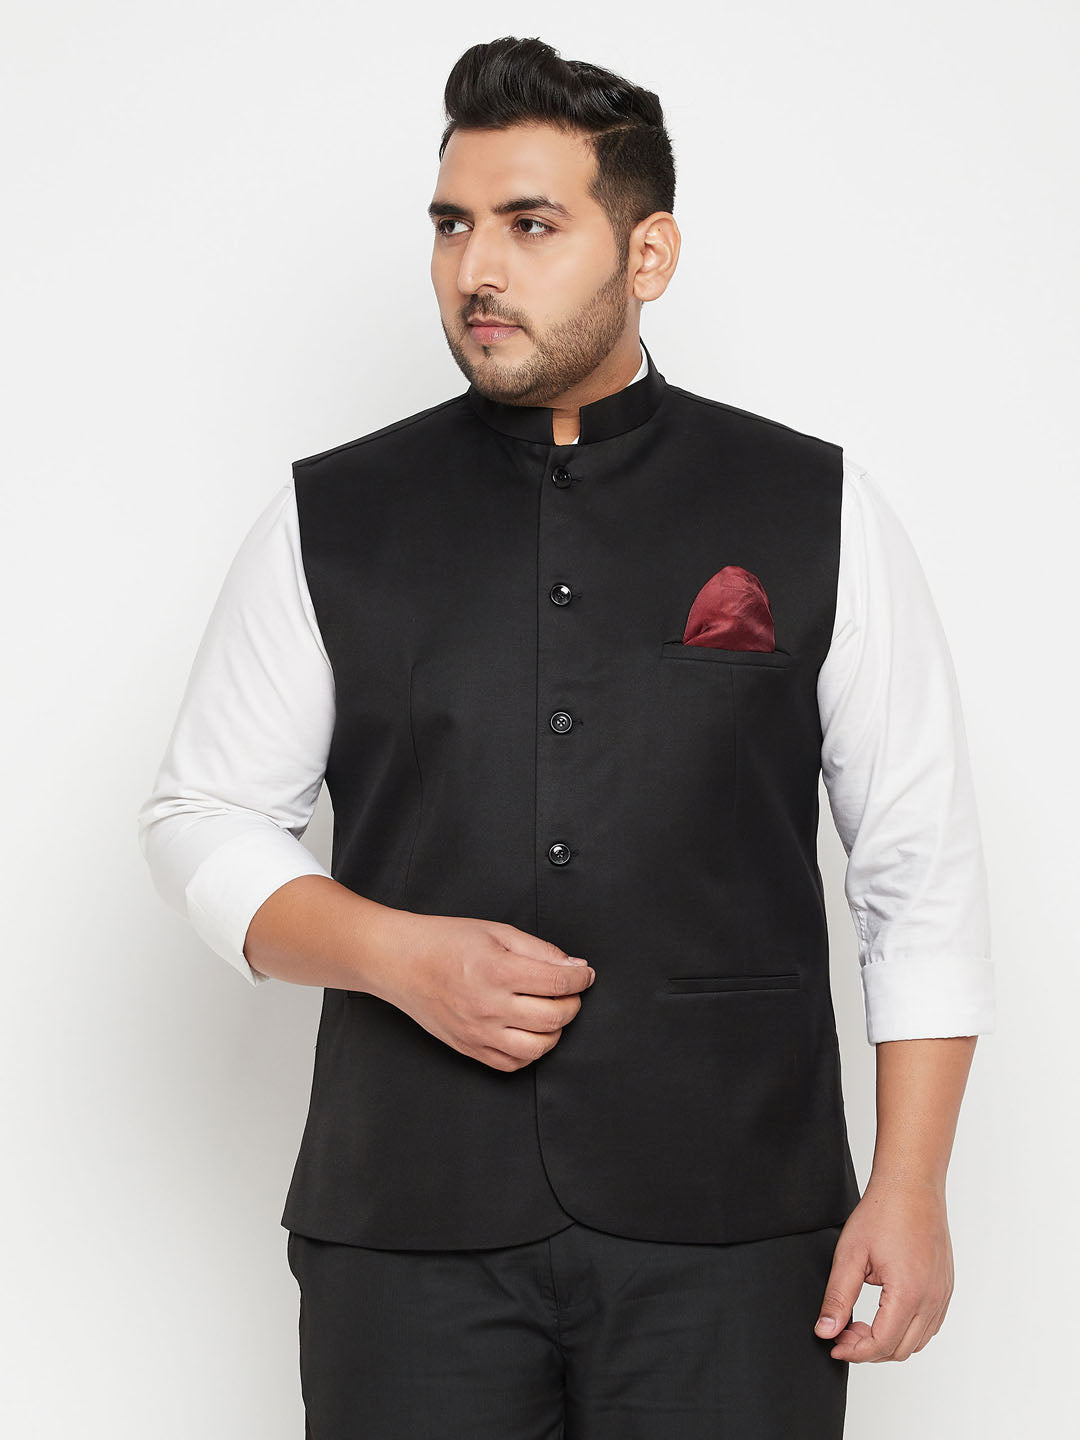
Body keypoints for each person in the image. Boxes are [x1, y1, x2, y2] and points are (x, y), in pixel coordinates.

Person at [136, 35, 994, 1440]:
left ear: (648, 253)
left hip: (737, 1226)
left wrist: (910, 1187)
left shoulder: (816, 507)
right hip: (406, 1227)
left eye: (530, 225)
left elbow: (919, 869)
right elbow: (203, 820)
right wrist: (398, 954)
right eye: (452, 224)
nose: (477, 267)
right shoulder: (329, 518)